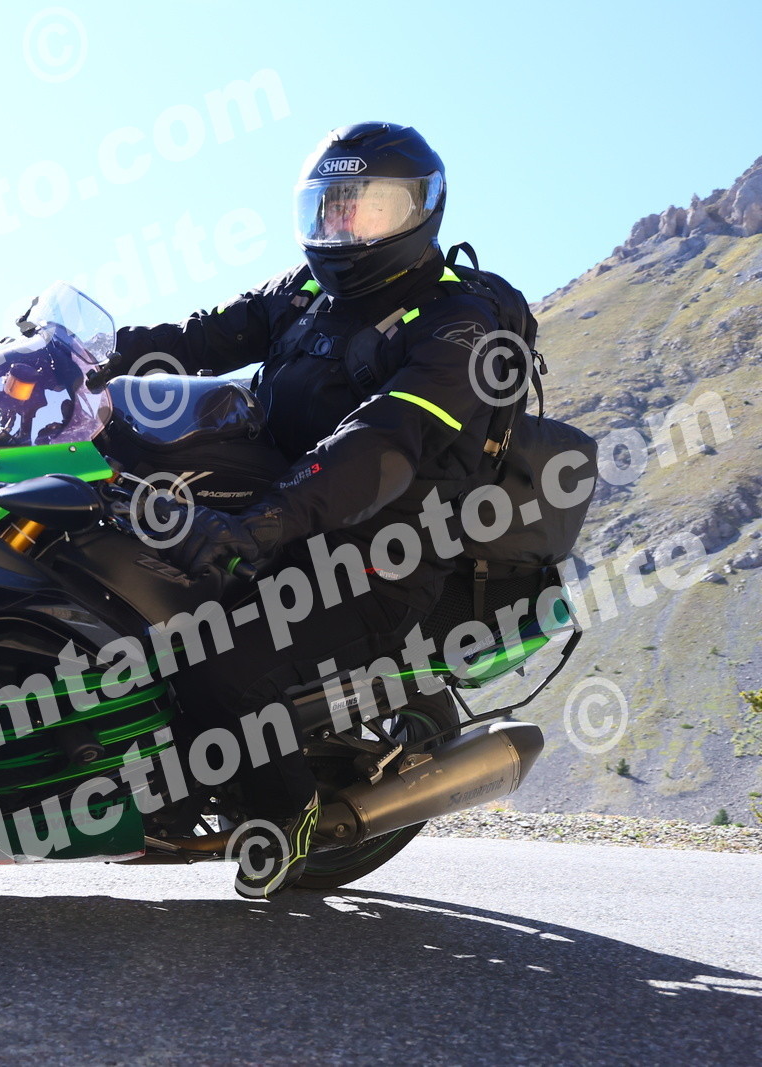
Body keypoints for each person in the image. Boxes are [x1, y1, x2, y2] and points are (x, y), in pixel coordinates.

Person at [103, 122, 502, 896]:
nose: (346, 227)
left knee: (213, 658)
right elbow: (195, 340)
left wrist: (262, 525)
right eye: (333, 208)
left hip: (374, 557)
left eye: (369, 209)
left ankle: (286, 818)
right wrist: (82, 356)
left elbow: (380, 443)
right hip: (268, 520)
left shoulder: (456, 324)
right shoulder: (305, 291)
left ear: (419, 212)